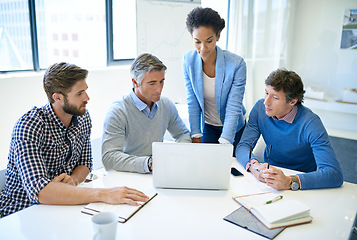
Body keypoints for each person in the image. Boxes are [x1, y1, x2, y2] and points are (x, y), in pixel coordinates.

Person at [0, 63, 148, 218]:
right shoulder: (30, 125)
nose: (87, 98)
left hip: (61, 207)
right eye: (79, 93)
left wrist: (73, 181)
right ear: (57, 97)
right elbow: (40, 191)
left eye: (86, 90)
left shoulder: (83, 116)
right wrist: (103, 194)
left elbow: (85, 163)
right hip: (20, 212)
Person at [236, 69, 343, 190]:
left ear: (292, 101)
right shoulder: (260, 109)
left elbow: (334, 174)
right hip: (268, 180)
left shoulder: (311, 123)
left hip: (300, 181)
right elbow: (243, 145)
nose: (266, 102)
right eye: (266, 93)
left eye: (275, 97)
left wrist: (289, 181)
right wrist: (254, 167)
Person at [102, 53, 191, 174]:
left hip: (157, 173)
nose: (159, 89)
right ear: (135, 82)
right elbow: (109, 158)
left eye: (161, 81)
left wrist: (175, 154)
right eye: (152, 83)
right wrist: (148, 163)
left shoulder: (166, 105)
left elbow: (183, 134)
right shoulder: (118, 111)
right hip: (127, 176)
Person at [183, 7, 247, 155]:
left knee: (232, 167)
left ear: (218, 36)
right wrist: (196, 135)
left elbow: (234, 105)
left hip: (234, 127)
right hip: (208, 126)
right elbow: (192, 100)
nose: (203, 48)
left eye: (209, 41)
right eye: (197, 42)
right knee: (205, 163)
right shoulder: (188, 60)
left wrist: (225, 141)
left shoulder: (237, 64)